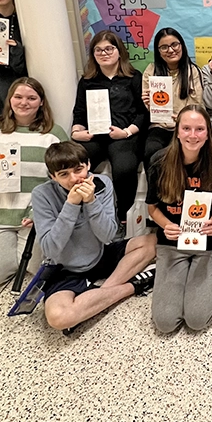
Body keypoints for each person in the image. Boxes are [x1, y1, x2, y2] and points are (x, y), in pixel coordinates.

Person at [31, 141, 157, 333]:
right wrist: (71, 205)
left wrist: (91, 202)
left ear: (88, 165)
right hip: (66, 267)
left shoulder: (102, 183)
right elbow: (50, 249)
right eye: (64, 175)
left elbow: (108, 235)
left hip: (100, 253)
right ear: (53, 177)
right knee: (58, 317)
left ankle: (98, 296)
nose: (74, 179)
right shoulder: (42, 194)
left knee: (152, 241)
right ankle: (133, 286)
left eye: (78, 170)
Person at [0, 77, 68, 286]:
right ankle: (9, 252)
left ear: (41, 102)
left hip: (32, 215)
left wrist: (42, 212)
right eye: (18, 97)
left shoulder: (53, 134)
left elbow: (64, 179)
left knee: (36, 269)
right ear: (10, 99)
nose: (23, 102)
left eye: (31, 98)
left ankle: (20, 252)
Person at [147, 106, 212, 333]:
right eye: (186, 128)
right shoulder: (159, 162)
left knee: (196, 319)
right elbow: (152, 208)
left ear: (208, 132)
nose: (192, 135)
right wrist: (166, 225)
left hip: (210, 244)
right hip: (172, 242)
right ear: (177, 131)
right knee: (164, 323)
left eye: (199, 129)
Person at [71, 30, 148, 236]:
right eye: (98, 50)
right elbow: (79, 112)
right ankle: (77, 212)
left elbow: (143, 113)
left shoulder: (133, 77)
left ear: (119, 51)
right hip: (94, 136)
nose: (104, 53)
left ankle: (122, 217)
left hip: (124, 135)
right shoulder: (87, 81)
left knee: (123, 168)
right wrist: (77, 131)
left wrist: (126, 132)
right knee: (75, 162)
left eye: (109, 48)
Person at [142, 27, 203, 169]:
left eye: (174, 45)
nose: (170, 50)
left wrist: (182, 119)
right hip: (160, 126)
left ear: (181, 45)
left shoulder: (193, 72)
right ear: (158, 51)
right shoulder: (151, 71)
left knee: (187, 153)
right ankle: (155, 191)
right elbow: (150, 108)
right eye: (164, 47)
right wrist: (148, 104)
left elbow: (198, 105)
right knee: (151, 151)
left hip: (186, 127)